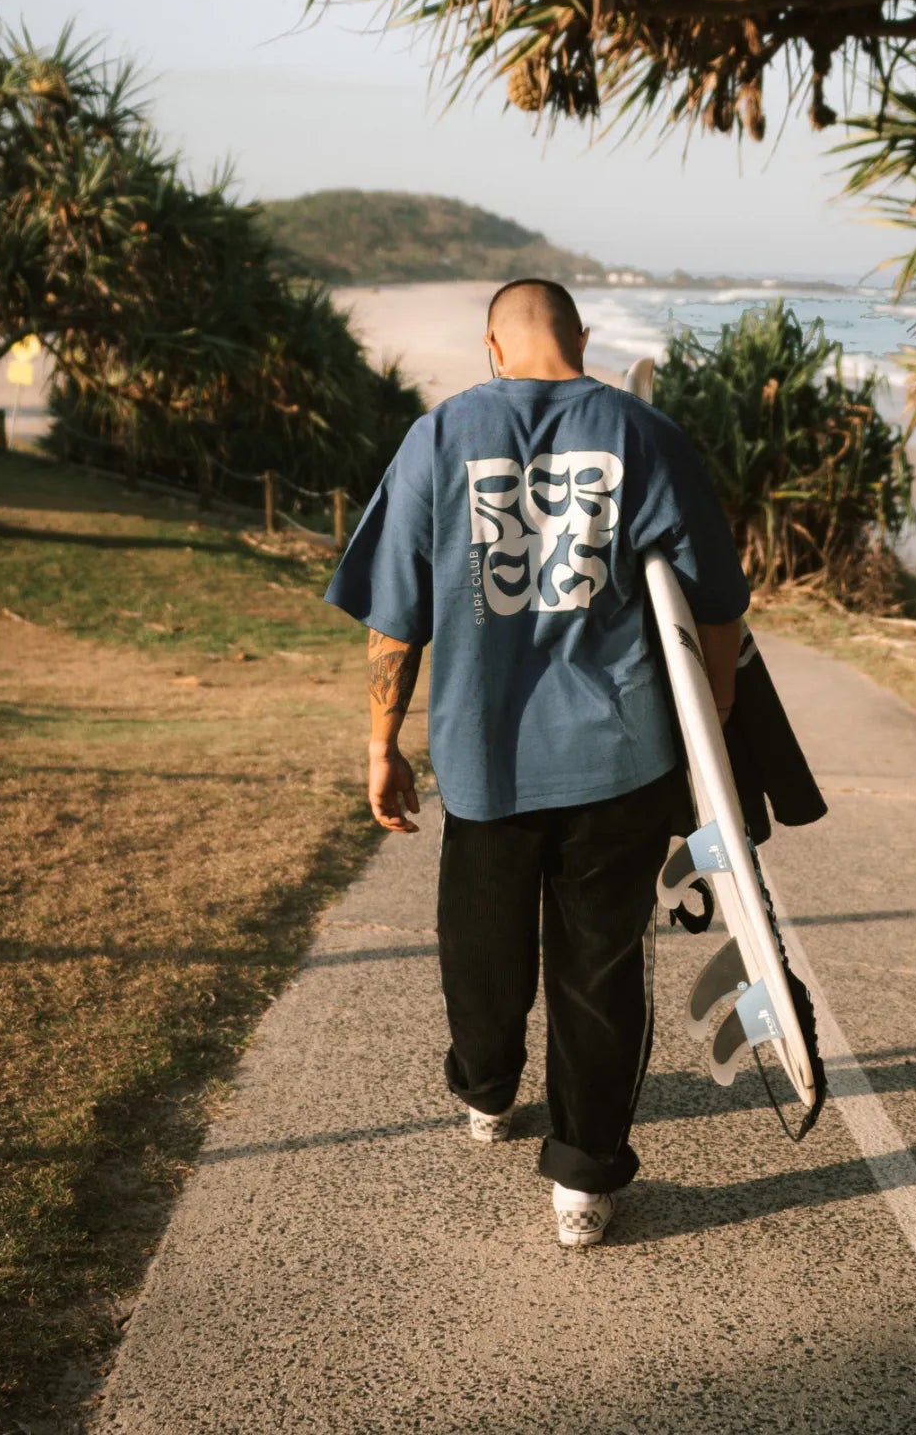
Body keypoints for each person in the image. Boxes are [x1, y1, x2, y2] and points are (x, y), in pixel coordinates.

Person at [324, 280, 749, 1247]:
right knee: (598, 968)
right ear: (582, 339)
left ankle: (483, 1091)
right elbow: (717, 599)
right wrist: (714, 713)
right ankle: (584, 1184)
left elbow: (396, 619)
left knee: (482, 944)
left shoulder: (438, 437)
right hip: (622, 754)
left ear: (492, 345)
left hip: (484, 757)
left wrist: (381, 745)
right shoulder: (643, 433)